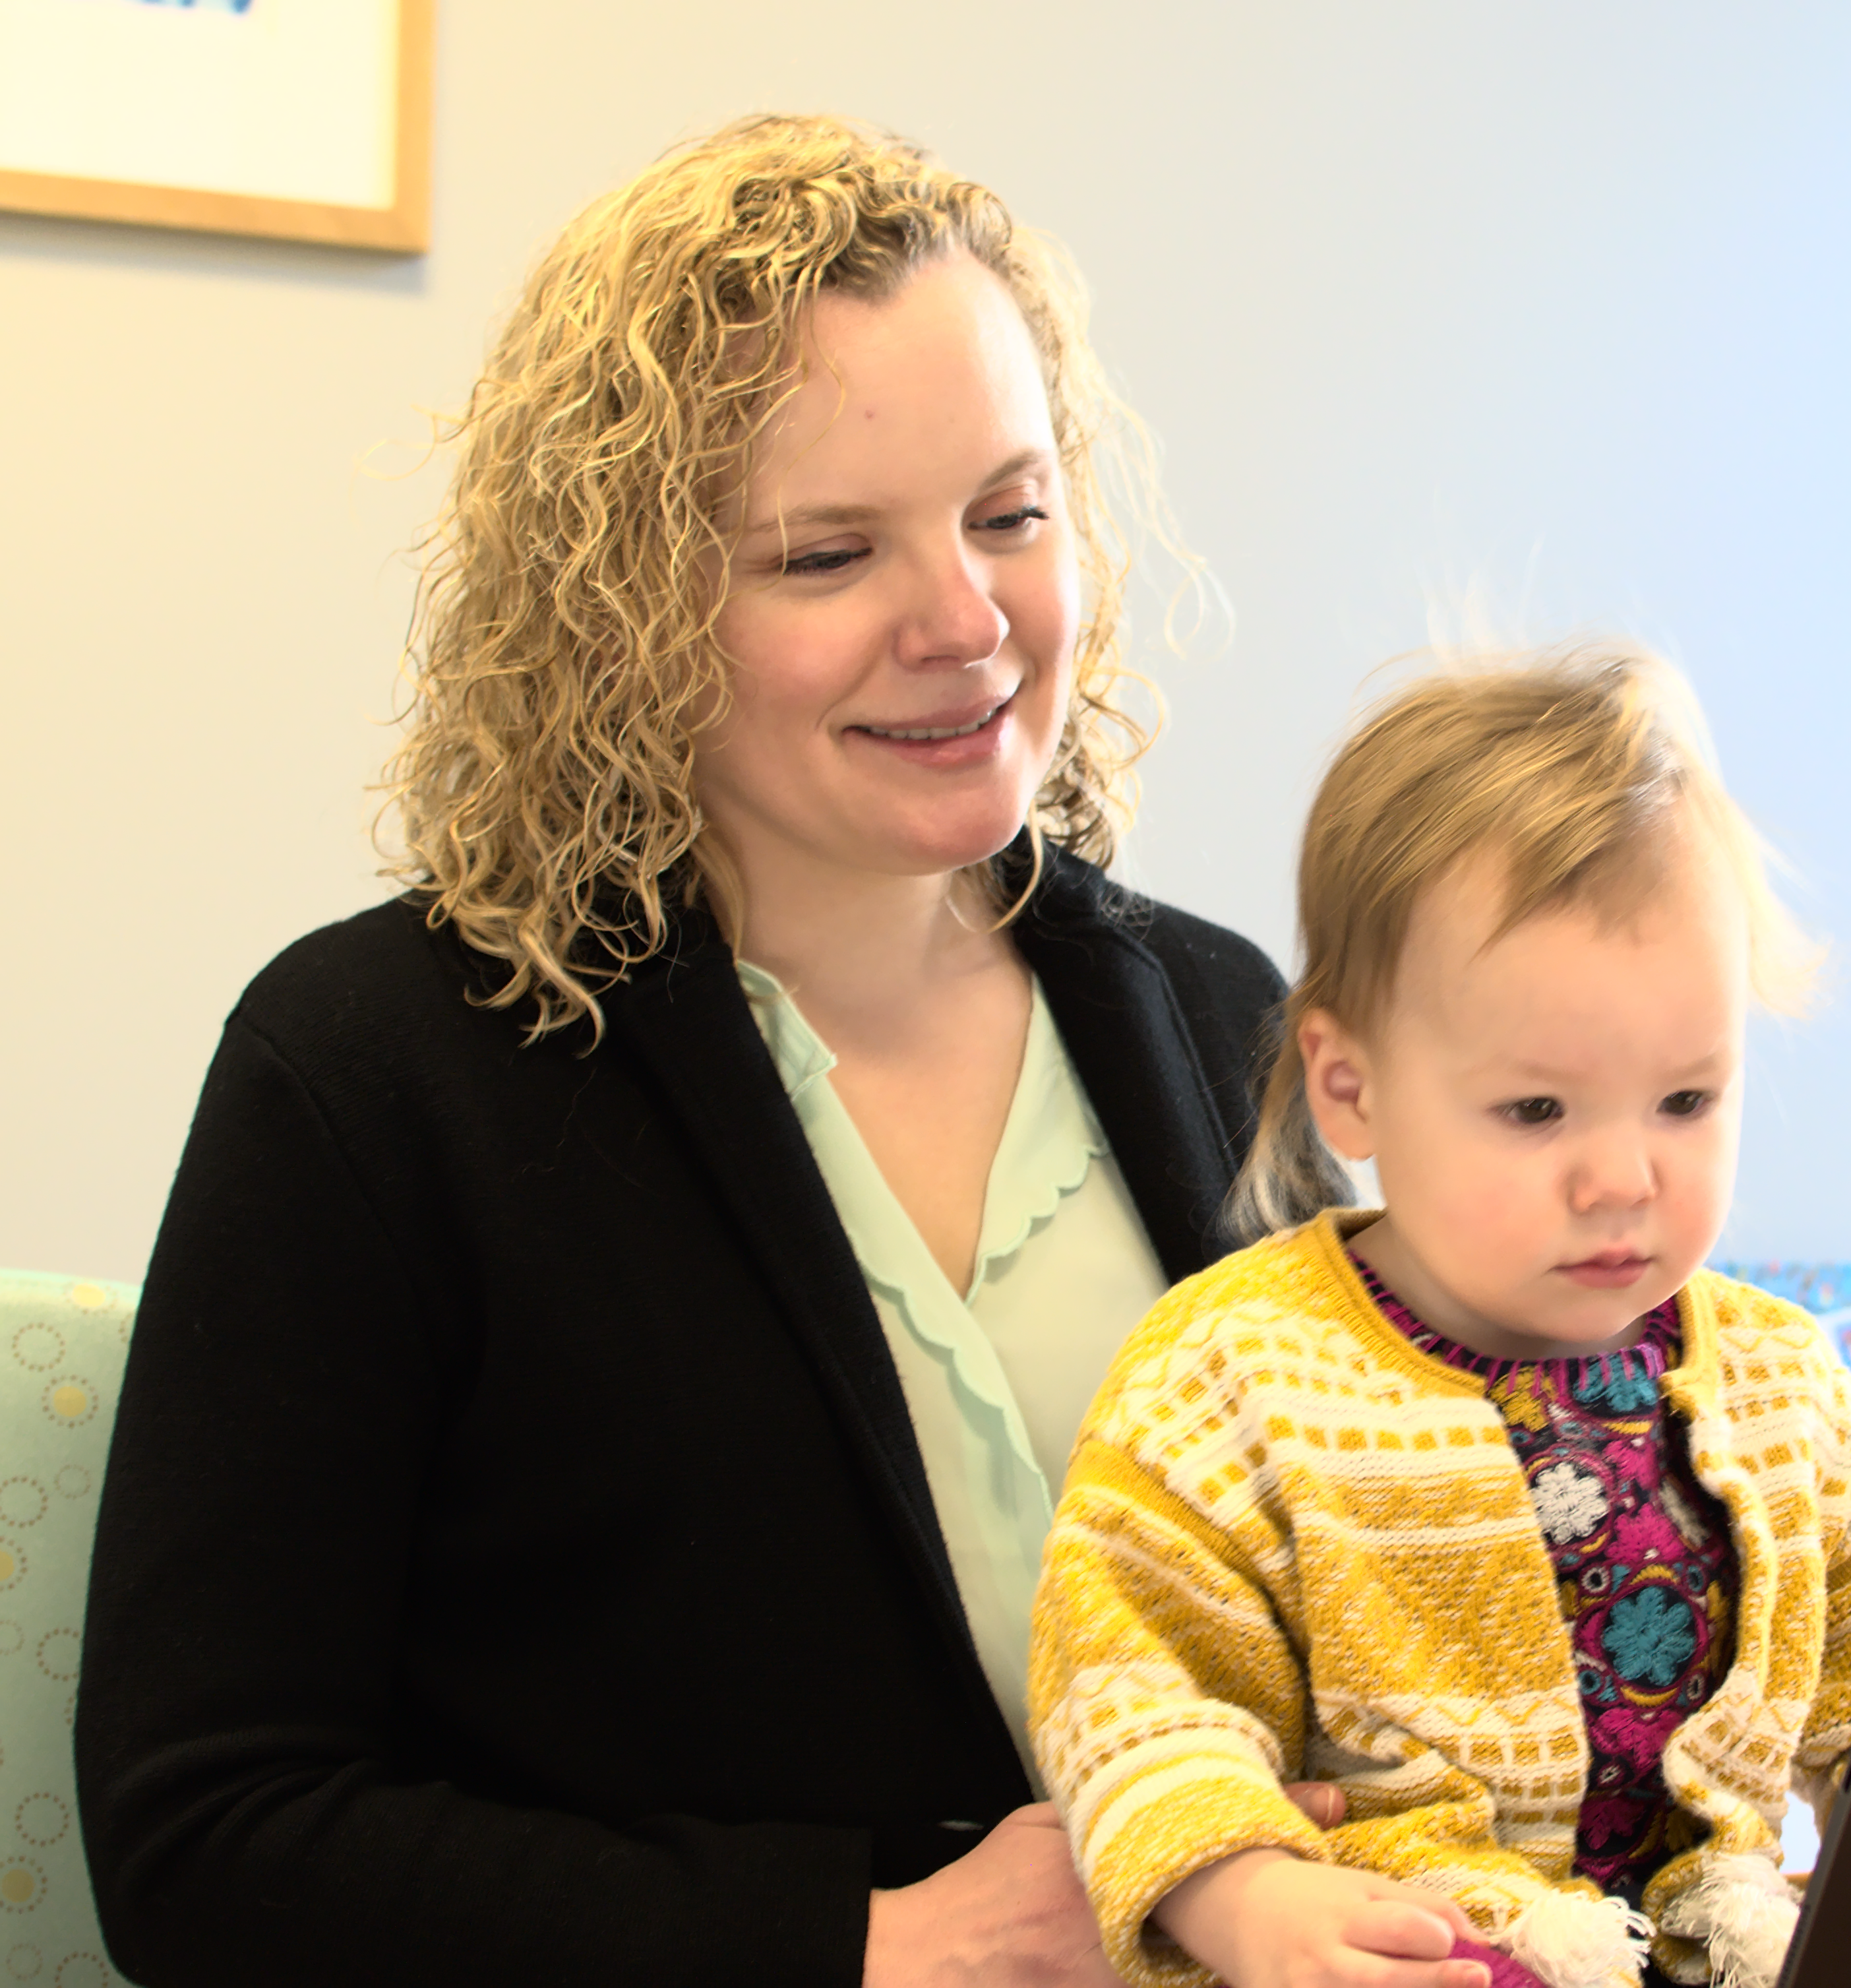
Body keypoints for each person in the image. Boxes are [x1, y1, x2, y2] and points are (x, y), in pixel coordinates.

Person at [76, 113, 1329, 1988]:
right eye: (828, 554)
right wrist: (864, 1940)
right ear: (618, 610)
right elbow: (212, 1841)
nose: (967, 620)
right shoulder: (371, 1075)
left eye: (1010, 510)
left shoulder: (1222, 1014)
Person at [1028, 647, 1851, 1988]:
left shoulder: (1786, 1387)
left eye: (1685, 1101)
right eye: (1534, 1111)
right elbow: (1129, 1683)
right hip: (1415, 1943)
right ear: (1348, 1086)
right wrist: (1237, 1894)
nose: (1623, 1176)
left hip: (1711, 1938)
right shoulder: (1234, 1372)